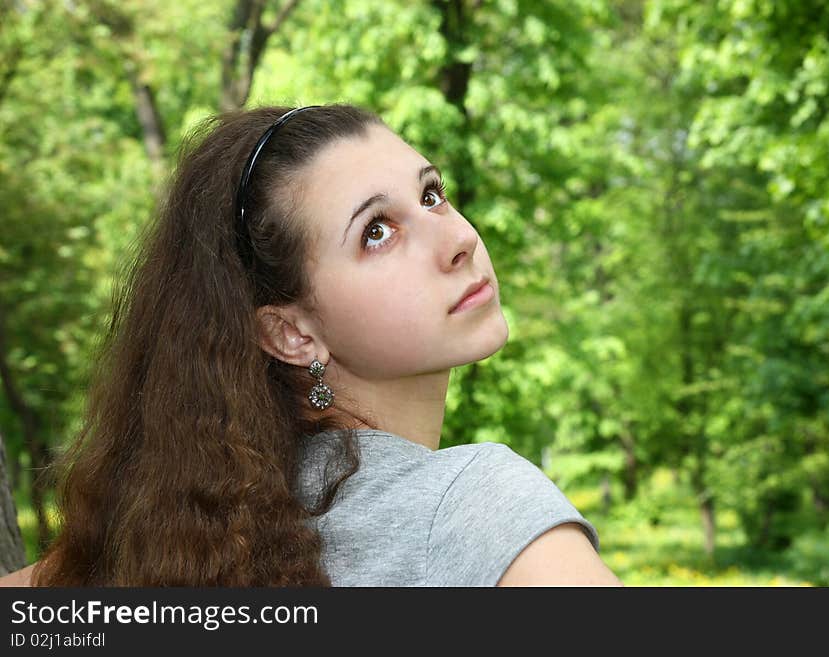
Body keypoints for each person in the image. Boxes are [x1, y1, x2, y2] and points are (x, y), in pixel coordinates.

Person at [0, 104, 621, 587]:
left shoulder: (181, 538)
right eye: (377, 232)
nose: (456, 238)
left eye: (431, 194)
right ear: (292, 333)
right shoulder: (478, 509)